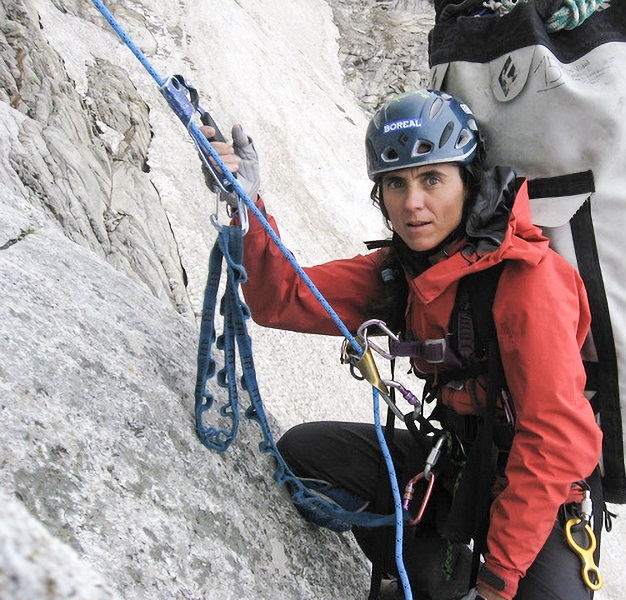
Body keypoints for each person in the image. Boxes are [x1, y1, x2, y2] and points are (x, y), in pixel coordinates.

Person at [202, 89, 603, 600]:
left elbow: (553, 441)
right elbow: (283, 298)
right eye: (396, 183)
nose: (413, 204)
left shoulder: (529, 283)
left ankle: (443, 577)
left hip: (541, 490)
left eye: (432, 178)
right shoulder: (401, 272)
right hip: (455, 462)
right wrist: (246, 206)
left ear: (468, 179)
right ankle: (427, 574)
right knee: (305, 457)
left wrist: (498, 582)